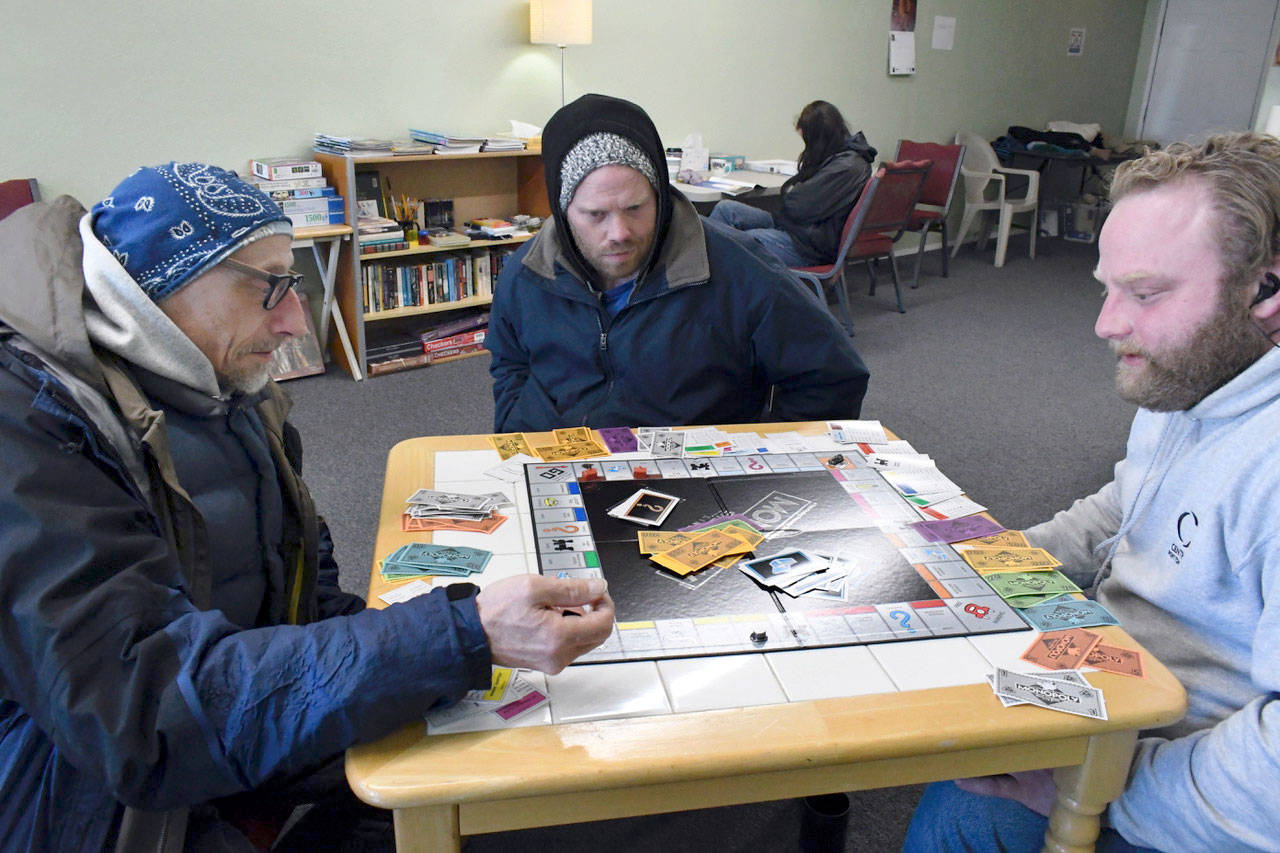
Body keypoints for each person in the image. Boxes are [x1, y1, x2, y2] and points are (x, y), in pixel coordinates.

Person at [0, 162, 615, 851]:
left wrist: (450, 656)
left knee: (506, 779)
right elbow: (144, 716)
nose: (296, 321)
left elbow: (306, 593)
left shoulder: (231, 380)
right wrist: (457, 635)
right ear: (165, 283)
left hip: (231, 724)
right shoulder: (22, 424)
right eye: (272, 287)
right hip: (90, 797)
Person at [903, 131, 1280, 851]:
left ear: (1266, 287)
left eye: (1145, 293)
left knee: (964, 813)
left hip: (1179, 772)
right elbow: (1122, 506)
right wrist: (988, 557)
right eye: (1108, 288)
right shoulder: (1197, 374)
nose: (1107, 325)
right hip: (1114, 686)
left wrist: (1102, 789)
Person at [485, 93, 869, 433]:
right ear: (564, 210)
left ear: (660, 196)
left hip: (692, 485)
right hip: (563, 467)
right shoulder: (526, 273)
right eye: (595, 214)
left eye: (635, 208)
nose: (619, 232)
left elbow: (832, 376)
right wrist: (522, 431)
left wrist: (758, 457)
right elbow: (510, 364)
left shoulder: (740, 269)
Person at [707, 100, 877, 268]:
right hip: (797, 229)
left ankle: (711, 289)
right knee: (725, 209)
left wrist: (801, 182)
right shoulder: (839, 156)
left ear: (817, 138)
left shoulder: (846, 166)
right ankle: (708, 283)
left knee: (741, 242)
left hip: (807, 247)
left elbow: (797, 205)